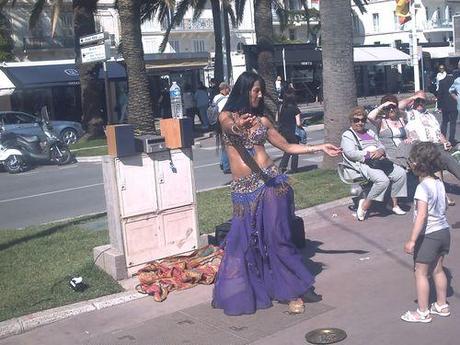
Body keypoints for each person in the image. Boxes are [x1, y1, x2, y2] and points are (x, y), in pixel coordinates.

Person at [212, 71, 341, 316]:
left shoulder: (264, 121)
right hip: (242, 192)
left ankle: (294, 291)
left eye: (261, 91)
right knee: (242, 242)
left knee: (277, 238)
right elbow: (232, 128)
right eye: (256, 91)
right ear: (244, 90)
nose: (260, 96)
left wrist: (320, 146)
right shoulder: (225, 116)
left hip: (271, 184)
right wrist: (241, 125)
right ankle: (255, 287)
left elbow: (287, 146)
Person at [401, 142, 451, 323]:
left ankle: (422, 312)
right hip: (444, 231)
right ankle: (441, 304)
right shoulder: (439, 182)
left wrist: (412, 240)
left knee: (420, 273)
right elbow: (444, 206)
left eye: (412, 161)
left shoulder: (422, 188)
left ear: (418, 164)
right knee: (438, 269)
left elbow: (421, 216)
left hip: (429, 235)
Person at [341, 106, 408, 221]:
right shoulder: (347, 135)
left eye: (362, 120)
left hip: (379, 161)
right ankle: (364, 206)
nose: (360, 123)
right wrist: (369, 154)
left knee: (400, 173)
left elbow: (381, 144)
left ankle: (393, 204)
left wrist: (381, 151)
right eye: (356, 120)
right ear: (351, 121)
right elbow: (350, 153)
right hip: (363, 164)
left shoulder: (370, 132)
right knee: (383, 180)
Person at [367, 94, 411, 169]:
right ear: (384, 109)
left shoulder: (401, 119)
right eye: (388, 108)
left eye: (393, 107)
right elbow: (370, 117)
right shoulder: (381, 121)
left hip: (404, 153)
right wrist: (383, 105)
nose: (391, 110)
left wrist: (408, 138)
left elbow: (408, 133)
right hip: (390, 156)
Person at [278, 87, 302, 174]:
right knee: (296, 148)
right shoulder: (295, 109)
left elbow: (278, 119)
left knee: (288, 148)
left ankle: (282, 166)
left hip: (283, 131)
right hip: (293, 131)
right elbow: (298, 123)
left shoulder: (282, 108)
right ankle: (294, 168)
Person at [213, 82, 231, 174]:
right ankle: (226, 165)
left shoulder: (215, 97)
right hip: (225, 122)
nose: (229, 90)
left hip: (218, 122)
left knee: (223, 142)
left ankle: (223, 162)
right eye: (228, 88)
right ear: (225, 89)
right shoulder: (227, 98)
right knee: (227, 143)